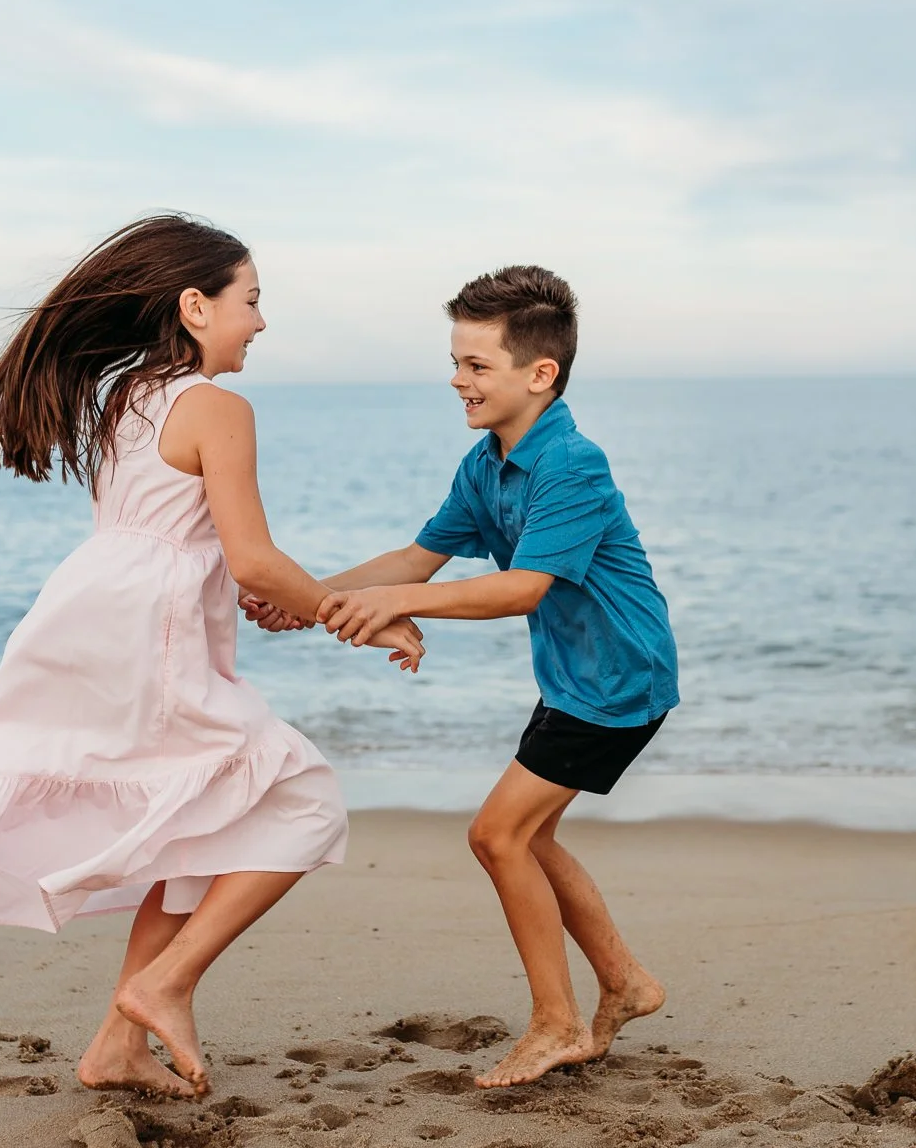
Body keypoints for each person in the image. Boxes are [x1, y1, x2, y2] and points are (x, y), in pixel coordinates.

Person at [0, 214, 421, 1100]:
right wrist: (355, 614)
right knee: (304, 797)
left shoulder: (130, 395)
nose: (262, 322)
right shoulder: (219, 407)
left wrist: (259, 589)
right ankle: (163, 983)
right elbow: (251, 557)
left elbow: (184, 538)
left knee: (190, 817)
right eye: (252, 300)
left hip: (97, 616)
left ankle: (117, 1044)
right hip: (149, 636)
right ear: (196, 306)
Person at [253, 265, 678, 1088]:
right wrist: (314, 598)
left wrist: (392, 603)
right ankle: (625, 982)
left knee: (498, 835)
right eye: (457, 361)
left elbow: (521, 587)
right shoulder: (488, 463)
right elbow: (418, 558)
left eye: (477, 365)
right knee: (531, 835)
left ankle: (557, 1022)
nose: (457, 380)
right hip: (575, 678)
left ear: (538, 373)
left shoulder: (572, 464)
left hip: (618, 681)